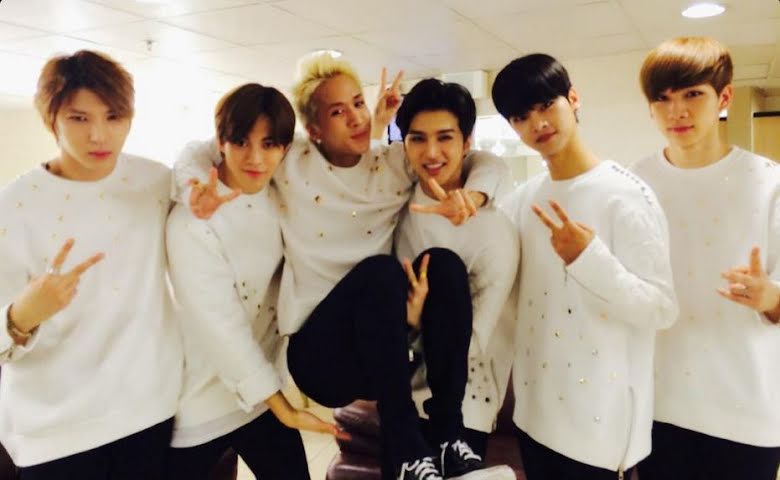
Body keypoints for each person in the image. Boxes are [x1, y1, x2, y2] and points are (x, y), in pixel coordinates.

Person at [175, 53, 509, 480]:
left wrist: (475, 197)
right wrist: (190, 189)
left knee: (442, 265)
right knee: (381, 270)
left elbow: (481, 160)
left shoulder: (393, 165)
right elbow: (203, 148)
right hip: (320, 358)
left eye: (358, 103)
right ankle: (407, 451)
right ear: (313, 129)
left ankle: (446, 437)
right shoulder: (290, 161)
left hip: (378, 344)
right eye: (337, 111)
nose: (355, 117)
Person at [491, 53, 678, 480]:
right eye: (521, 116)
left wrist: (588, 259)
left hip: (600, 433)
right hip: (534, 419)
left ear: (573, 99)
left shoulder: (626, 194)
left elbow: (661, 308)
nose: (538, 123)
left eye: (546, 105)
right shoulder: (523, 199)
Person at [0, 50, 182, 479]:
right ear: (52, 120)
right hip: (55, 429)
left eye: (114, 116)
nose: (99, 135)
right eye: (79, 118)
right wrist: (21, 316)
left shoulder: (156, 182)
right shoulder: (13, 207)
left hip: (147, 409)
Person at [165, 83, 345, 479]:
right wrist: (285, 409)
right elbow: (221, 328)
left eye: (269, 144)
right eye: (241, 142)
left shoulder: (279, 192)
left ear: (284, 147)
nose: (255, 158)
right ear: (221, 142)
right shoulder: (192, 220)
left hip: (262, 392)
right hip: (200, 402)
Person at [631, 36, 780, 480]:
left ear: (724, 98)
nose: (676, 111)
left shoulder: (768, 182)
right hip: (659, 408)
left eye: (693, 94)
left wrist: (770, 297)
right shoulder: (634, 183)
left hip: (746, 410)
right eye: (663, 99)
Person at [393, 77, 518, 479]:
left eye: (445, 137)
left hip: (465, 407)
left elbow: (476, 339)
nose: (431, 153)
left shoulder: (495, 231)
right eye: (418, 138)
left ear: (467, 142)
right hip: (401, 405)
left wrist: (414, 328)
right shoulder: (397, 208)